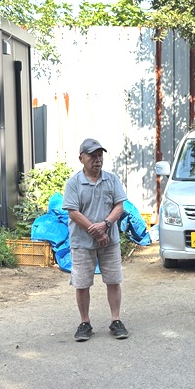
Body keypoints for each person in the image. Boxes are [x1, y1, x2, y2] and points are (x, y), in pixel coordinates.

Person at [63, 138, 129, 340]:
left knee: (113, 280)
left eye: (100, 156)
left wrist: (105, 225)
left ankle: (116, 320)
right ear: (81, 158)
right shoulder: (74, 183)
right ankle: (85, 322)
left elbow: (119, 206)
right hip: (82, 243)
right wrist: (96, 231)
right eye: (92, 156)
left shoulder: (111, 179)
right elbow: (73, 212)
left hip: (110, 240)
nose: (97, 160)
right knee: (82, 283)